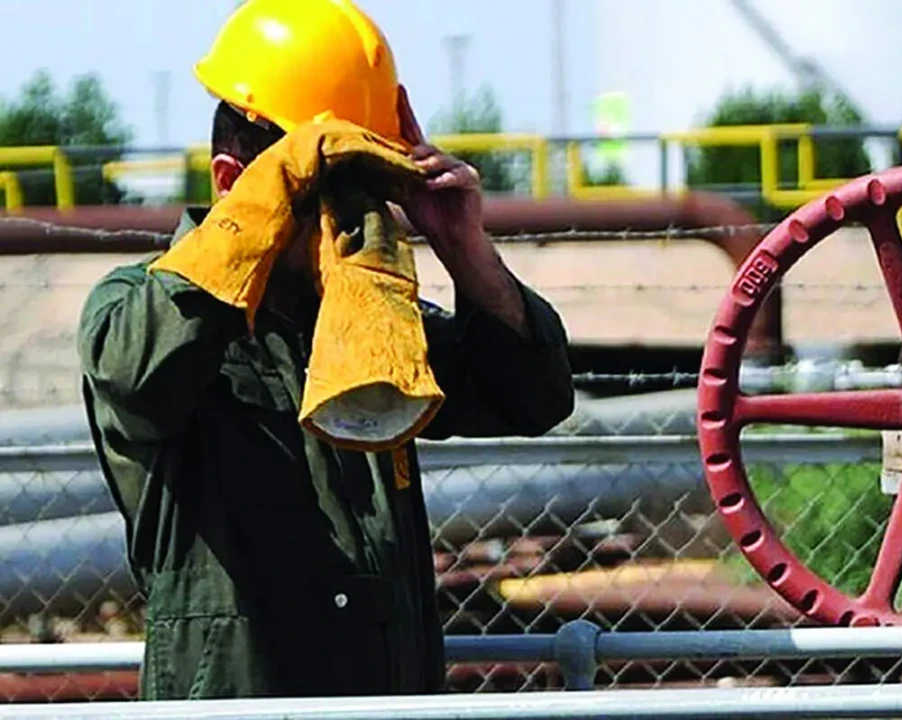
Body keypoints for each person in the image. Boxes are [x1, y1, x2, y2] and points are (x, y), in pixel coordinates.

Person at [76, 0, 574, 701]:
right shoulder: (135, 309)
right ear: (231, 182)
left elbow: (532, 396)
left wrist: (461, 244)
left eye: (364, 189)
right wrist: (265, 206)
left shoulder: (368, 323)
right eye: (323, 189)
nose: (350, 218)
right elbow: (137, 380)